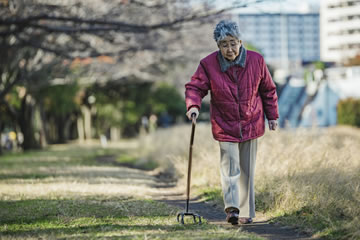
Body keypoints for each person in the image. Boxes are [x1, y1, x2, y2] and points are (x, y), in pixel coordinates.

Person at [185, 20, 279, 225]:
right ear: (218, 46)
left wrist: (272, 116)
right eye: (224, 44)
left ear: (240, 42)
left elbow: (268, 90)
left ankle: (246, 211)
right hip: (224, 123)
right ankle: (232, 209)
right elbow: (195, 87)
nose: (229, 48)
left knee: (246, 169)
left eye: (233, 43)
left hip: (251, 121)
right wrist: (193, 106)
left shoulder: (256, 60)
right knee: (229, 168)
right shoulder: (208, 64)